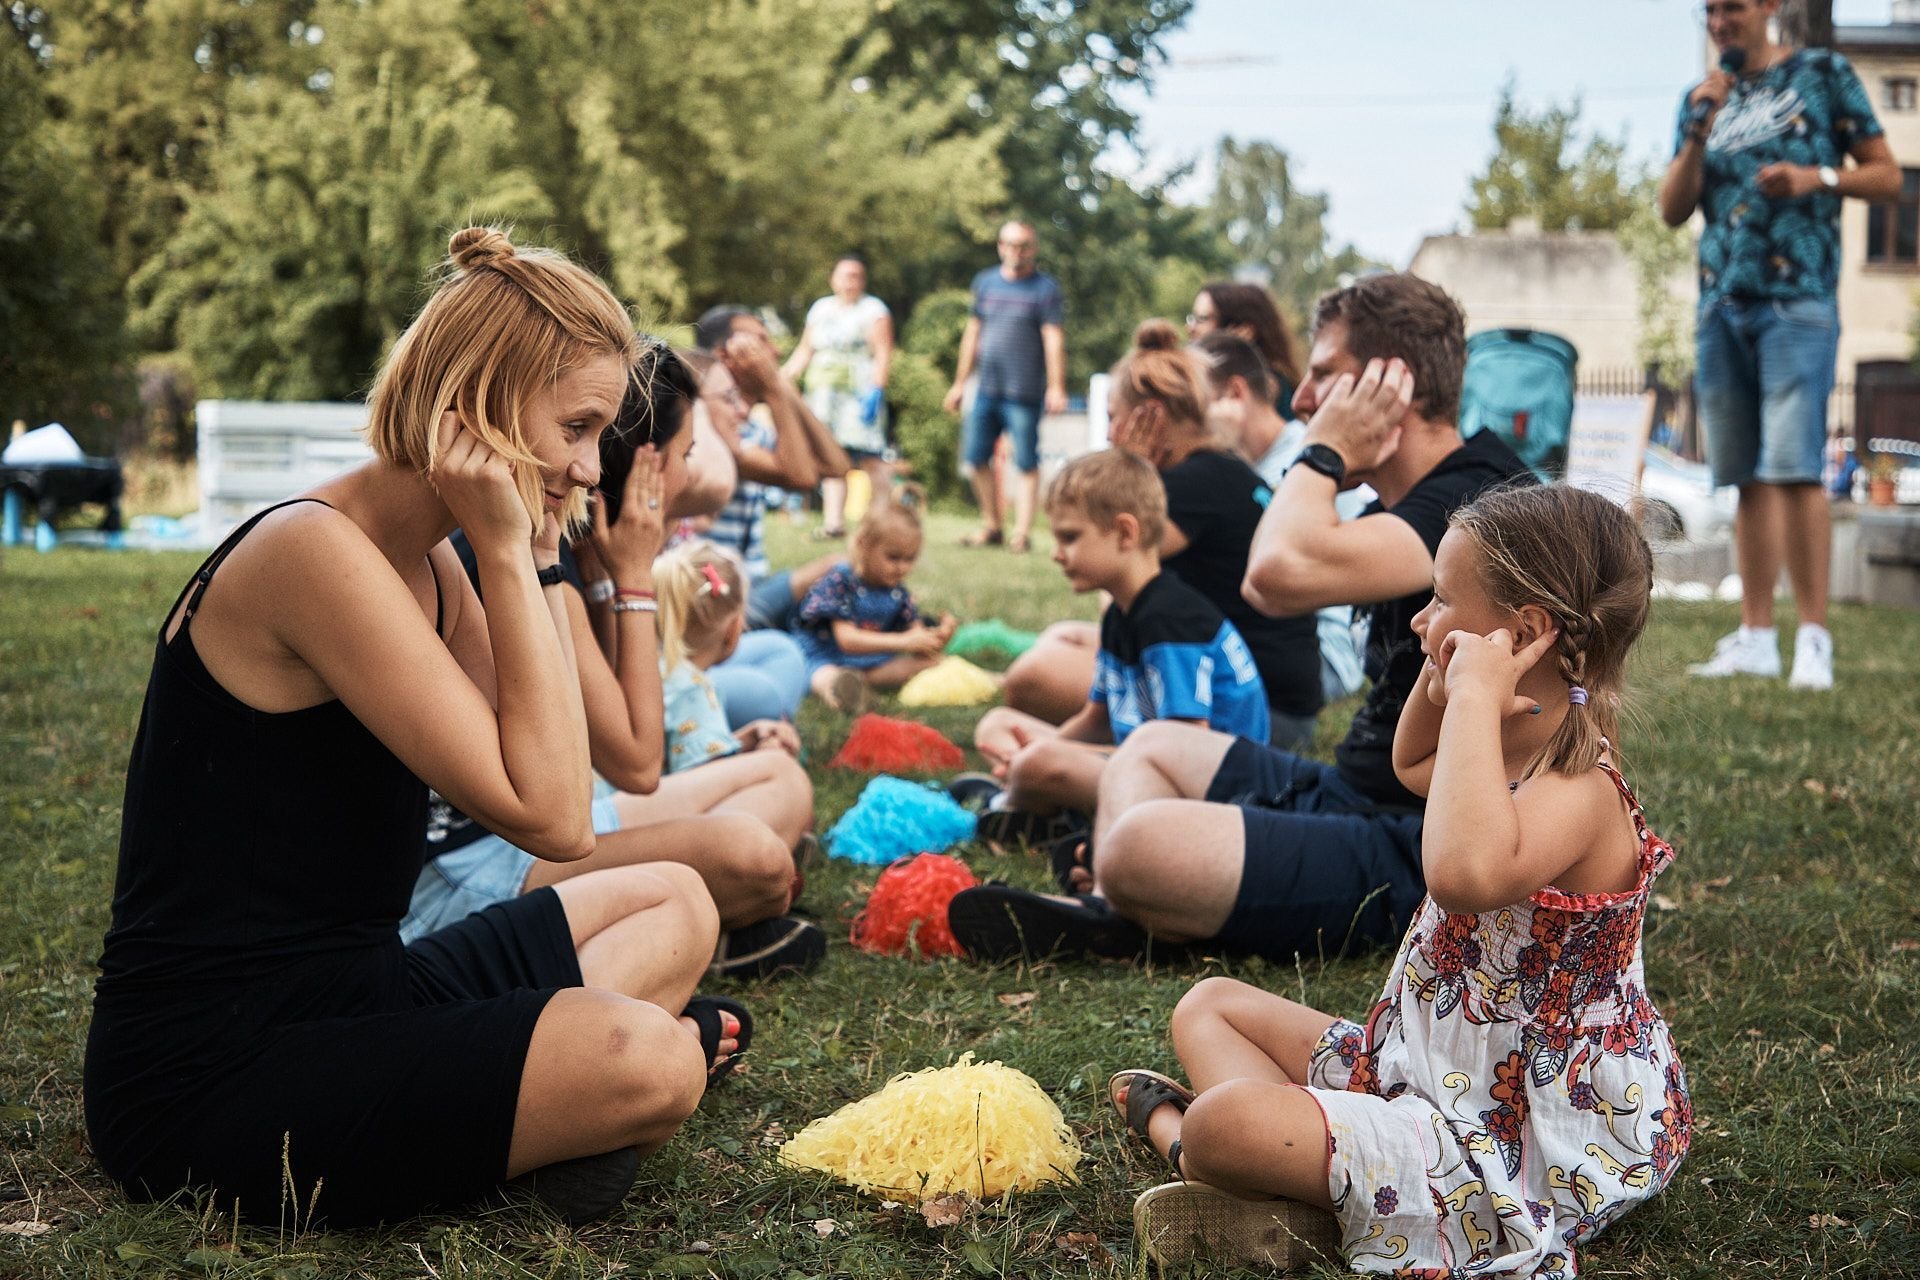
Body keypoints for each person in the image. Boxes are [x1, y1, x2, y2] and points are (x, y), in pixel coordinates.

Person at [85, 228, 737, 1228]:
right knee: (651, 1057)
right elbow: (559, 818)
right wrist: (513, 551)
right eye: (574, 428)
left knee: (678, 899)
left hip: (367, 986)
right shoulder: (311, 550)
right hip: (213, 1066)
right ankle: (548, 1110)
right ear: (475, 403)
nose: (588, 470)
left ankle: (522, 1102)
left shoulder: (432, 568)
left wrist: (499, 551)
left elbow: (554, 782)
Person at [1111, 484, 1691, 1278]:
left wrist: (1478, 691)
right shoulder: (1515, 741)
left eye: (1442, 599)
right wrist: (1453, 672)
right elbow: (1412, 764)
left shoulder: (1579, 788)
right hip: (1419, 1070)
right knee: (1208, 1005)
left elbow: (1460, 874)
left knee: (1219, 1126)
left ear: (1521, 633)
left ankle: (1200, 1150)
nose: (1422, 620)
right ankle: (1317, 1186)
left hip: (1500, 1135)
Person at [947, 274, 1536, 965]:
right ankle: (1121, 906)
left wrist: (1323, 450)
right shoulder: (1418, 501)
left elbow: (1273, 577)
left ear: (1388, 383)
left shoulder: (1479, 502)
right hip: (1349, 794)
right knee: (1150, 746)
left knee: (1137, 844)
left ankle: (1134, 893)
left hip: (1417, 843)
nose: (1302, 400)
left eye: (1323, 376)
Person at [405, 347, 821, 975]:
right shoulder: (527, 555)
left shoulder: (564, 541)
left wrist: (612, 574)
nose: (591, 470)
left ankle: (684, 921)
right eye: (684, 455)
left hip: (553, 817)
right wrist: (632, 581)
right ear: (649, 463)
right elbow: (637, 762)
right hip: (482, 857)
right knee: (752, 854)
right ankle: (685, 927)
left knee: (782, 778)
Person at [1659, 0, 1898, 692]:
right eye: (1708, 11)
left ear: (1767, 6)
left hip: (1799, 301)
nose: (1719, 23)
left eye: (1731, 8)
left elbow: (1886, 175)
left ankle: (1814, 643)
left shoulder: (1823, 74)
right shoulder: (1701, 98)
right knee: (1744, 475)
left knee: (1795, 467)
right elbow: (1673, 209)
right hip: (1721, 305)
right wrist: (1697, 133)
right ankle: (1757, 636)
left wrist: (1814, 178)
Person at [1000, 321, 1323, 748]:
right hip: (1271, 688)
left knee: (1029, 678)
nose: (1111, 434)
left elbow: (1111, 591)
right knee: (1060, 636)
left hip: (1255, 705)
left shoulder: (1188, 486)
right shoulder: (1219, 468)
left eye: (1114, 418)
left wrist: (1124, 471)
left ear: (1150, 414)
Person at [968, 448, 1269, 836]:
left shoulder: (1171, 621)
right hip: (1143, 764)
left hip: (1205, 789)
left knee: (1039, 764)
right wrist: (1042, 748)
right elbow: (1095, 721)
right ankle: (1036, 798)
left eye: (1070, 537)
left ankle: (1020, 808)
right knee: (997, 725)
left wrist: (1049, 757)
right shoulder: (1120, 614)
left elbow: (1183, 748)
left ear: (1126, 533)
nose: (1057, 554)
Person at [679, 316, 851, 728]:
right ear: (725, 354)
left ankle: (825, 664)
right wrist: (775, 388)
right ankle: (822, 672)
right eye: (758, 341)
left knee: (837, 574)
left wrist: (781, 389)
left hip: (751, 583)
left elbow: (835, 465)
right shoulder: (713, 432)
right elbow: (802, 477)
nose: (772, 352)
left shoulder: (743, 424)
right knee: (797, 634)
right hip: (717, 591)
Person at [1196, 330, 1367, 704]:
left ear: (1235, 394)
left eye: (1192, 408)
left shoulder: (1307, 463)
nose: (1187, 425)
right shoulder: (1252, 463)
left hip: (1321, 659)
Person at [944, 219, 1067, 554]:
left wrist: (1056, 386)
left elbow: (1053, 338)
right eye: (1010, 244)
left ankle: (1021, 533)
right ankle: (992, 525)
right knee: (975, 458)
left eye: (1023, 245)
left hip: (1024, 392)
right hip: (986, 388)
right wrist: (959, 383)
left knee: (1026, 462)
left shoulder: (1045, 289)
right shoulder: (985, 283)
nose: (1016, 252)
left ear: (1034, 248)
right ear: (1000, 246)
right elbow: (972, 334)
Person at [791, 495, 954, 712]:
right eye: (893, 557)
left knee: (931, 664)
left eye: (910, 559)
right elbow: (847, 640)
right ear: (864, 545)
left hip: (869, 661)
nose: (902, 568)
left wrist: (935, 639)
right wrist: (903, 642)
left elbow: (916, 644)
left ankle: (857, 683)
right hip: (823, 655)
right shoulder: (842, 581)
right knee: (824, 675)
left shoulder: (898, 592)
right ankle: (840, 693)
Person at [652, 540, 803, 774]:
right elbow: (704, 788)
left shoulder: (649, 670)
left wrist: (742, 741)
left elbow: (685, 759)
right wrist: (764, 760)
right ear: (733, 630)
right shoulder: (694, 693)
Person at [782, 254, 894, 539]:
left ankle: (883, 521)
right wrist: (782, 379)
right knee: (831, 456)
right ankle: (834, 523)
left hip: (858, 392)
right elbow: (805, 349)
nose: (850, 281)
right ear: (833, 278)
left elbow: (882, 352)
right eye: (845, 275)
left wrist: (876, 389)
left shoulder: (873, 310)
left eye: (856, 276)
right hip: (824, 394)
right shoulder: (821, 309)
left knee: (870, 456)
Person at [1186, 280, 1307, 415]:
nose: (1191, 328)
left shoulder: (1267, 386)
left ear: (1243, 331)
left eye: (1202, 319)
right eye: (1192, 318)